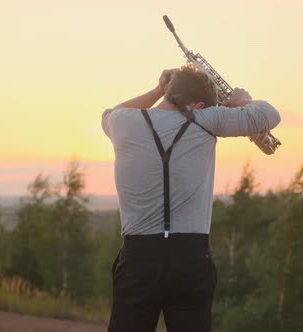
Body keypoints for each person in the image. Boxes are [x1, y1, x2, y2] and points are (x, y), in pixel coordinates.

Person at [101, 65, 281, 332]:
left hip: (138, 259)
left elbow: (112, 111)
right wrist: (243, 102)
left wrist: (157, 90)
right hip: (191, 257)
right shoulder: (205, 120)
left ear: (169, 92)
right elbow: (269, 115)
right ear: (198, 105)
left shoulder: (123, 122)